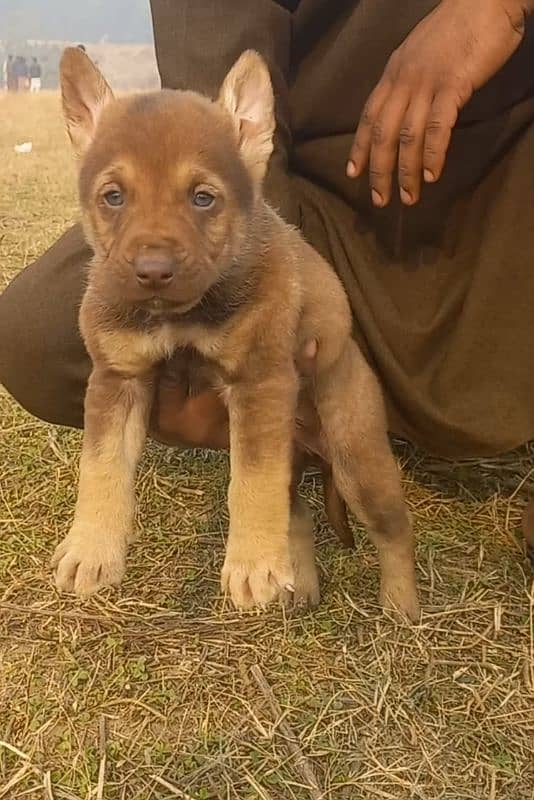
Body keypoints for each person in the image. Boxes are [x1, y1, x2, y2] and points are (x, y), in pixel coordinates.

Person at [1, 0, 534, 464]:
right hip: (303, 194)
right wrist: (253, 308)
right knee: (35, 332)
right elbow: (217, 65)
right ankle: (291, 401)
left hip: (501, 176)